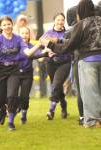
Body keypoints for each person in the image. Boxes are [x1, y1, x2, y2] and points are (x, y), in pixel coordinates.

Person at [40, 0, 101, 128]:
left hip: (88, 62)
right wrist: (59, 39)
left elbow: (67, 47)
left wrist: (49, 44)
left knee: (90, 93)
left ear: (81, 11)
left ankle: (92, 121)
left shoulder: (81, 24)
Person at [0, 16, 42, 131]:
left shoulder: (18, 39)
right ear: (1, 27)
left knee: (12, 95)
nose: (7, 26)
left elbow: (27, 53)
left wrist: (38, 44)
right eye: (4, 25)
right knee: (0, 100)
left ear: (12, 25)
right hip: (0, 70)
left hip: (14, 69)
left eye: (9, 24)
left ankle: (11, 122)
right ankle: (2, 109)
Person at [42, 13, 72, 120]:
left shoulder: (68, 33)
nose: (60, 22)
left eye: (62, 20)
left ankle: (51, 110)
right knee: (57, 87)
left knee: (56, 84)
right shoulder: (48, 33)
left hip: (65, 62)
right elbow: (42, 44)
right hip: (51, 63)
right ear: (54, 21)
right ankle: (63, 106)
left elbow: (68, 46)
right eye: (58, 20)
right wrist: (47, 50)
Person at [66, 6, 84, 125]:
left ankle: (82, 116)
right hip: (82, 60)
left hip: (77, 61)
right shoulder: (83, 27)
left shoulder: (69, 31)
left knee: (80, 90)